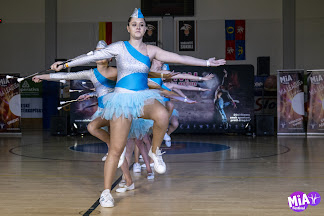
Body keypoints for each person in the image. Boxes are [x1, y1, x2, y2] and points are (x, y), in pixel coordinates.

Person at [50, 8, 226, 208]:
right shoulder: (119, 47)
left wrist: (206, 62)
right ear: (128, 28)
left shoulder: (151, 51)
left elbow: (179, 58)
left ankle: (155, 152)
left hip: (143, 98)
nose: (138, 27)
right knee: (116, 150)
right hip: (122, 100)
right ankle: (106, 192)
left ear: (145, 29)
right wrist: (65, 64)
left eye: (141, 25)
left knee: (162, 113)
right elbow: (90, 56)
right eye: (134, 24)